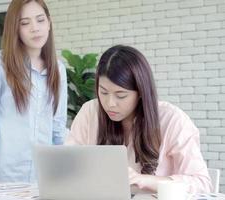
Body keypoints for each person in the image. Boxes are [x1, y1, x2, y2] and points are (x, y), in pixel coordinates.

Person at [64, 45, 212, 193]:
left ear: (141, 92)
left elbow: (202, 183)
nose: (110, 103)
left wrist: (144, 180)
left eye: (121, 95)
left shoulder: (172, 119)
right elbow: (66, 166)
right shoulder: (90, 111)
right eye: (103, 92)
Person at [0, 0, 67, 182]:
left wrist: (66, 168)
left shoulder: (58, 68)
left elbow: (58, 127)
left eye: (40, 20)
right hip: (6, 176)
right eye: (25, 23)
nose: (35, 28)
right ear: (15, 28)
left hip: (44, 176)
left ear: (49, 22)